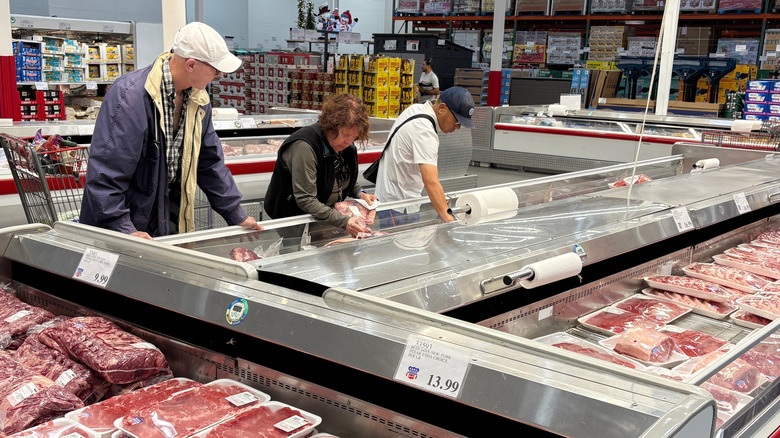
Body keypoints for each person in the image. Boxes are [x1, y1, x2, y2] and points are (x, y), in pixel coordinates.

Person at [79, 22, 264, 240]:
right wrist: (123, 228)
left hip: (169, 215)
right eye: (214, 69)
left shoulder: (198, 100)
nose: (218, 75)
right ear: (191, 65)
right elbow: (106, 174)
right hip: (125, 225)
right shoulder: (129, 97)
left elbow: (209, 162)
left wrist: (235, 214)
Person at [264, 93, 377, 237]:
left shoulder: (345, 147)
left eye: (354, 137)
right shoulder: (304, 147)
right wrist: (344, 221)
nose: (349, 141)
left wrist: (360, 193)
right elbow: (306, 199)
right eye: (345, 135)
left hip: (324, 219)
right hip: (294, 221)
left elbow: (340, 178)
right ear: (331, 126)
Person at [374, 87, 475, 227]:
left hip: (398, 197)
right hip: (399, 204)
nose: (458, 127)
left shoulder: (417, 109)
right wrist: (450, 220)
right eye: (457, 121)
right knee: (398, 246)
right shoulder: (424, 131)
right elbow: (431, 181)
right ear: (442, 109)